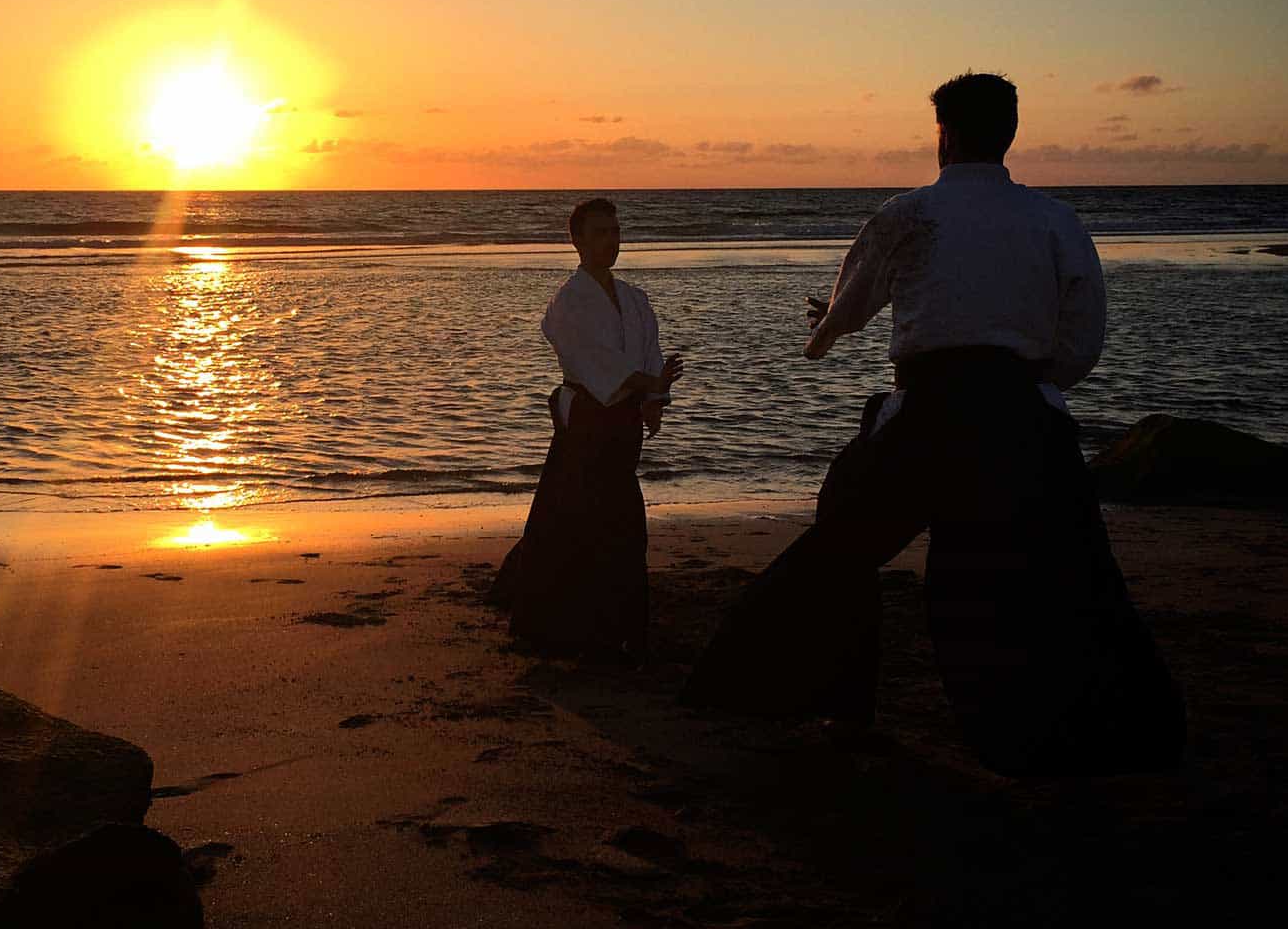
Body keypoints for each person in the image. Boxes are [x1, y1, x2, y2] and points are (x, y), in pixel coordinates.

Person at [680, 73, 1183, 776]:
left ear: (943, 134)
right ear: (1009, 135)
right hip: (1024, 422)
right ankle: (1117, 730)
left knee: (840, 544)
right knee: (1078, 576)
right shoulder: (1054, 221)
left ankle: (813, 700)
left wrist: (818, 333)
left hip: (931, 417)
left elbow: (844, 315)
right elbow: (1083, 337)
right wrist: (1035, 386)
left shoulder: (909, 215)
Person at [488, 197, 684, 660]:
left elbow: (648, 352)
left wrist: (654, 401)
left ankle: (614, 621)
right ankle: (561, 622)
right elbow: (598, 363)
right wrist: (647, 384)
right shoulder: (568, 302)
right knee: (580, 519)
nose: (610, 242)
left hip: (623, 422)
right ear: (576, 240)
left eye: (615, 232)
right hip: (587, 423)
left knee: (608, 522)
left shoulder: (635, 299)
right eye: (599, 233)